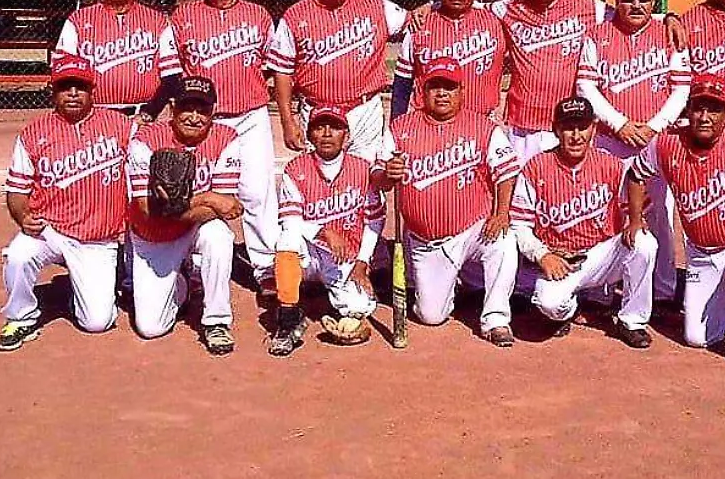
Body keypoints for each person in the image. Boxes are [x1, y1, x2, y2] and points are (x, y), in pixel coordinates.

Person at [627, 75, 725, 369]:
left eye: (714, 110)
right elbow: (635, 174)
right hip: (701, 252)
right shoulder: (667, 144)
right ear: (688, 110)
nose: (705, 117)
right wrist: (634, 219)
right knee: (697, 337)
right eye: (698, 109)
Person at [375, 57, 522, 347]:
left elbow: (506, 172)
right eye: (435, 87)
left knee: (504, 240)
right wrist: (387, 174)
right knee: (431, 316)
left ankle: (496, 319)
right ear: (422, 90)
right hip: (426, 240)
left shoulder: (483, 127)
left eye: (449, 87)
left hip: (473, 229)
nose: (442, 93)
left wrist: (501, 213)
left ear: (461, 91)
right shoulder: (401, 128)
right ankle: (455, 284)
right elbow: (378, 177)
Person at [0, 56, 133, 351]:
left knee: (97, 323)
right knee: (18, 255)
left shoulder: (121, 126)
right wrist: (23, 217)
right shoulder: (33, 133)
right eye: (65, 86)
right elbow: (17, 191)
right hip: (49, 229)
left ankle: (79, 290)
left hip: (97, 237)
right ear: (52, 90)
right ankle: (21, 317)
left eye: (80, 87)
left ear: (92, 90)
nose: (72, 93)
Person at [576, 0, 691, 304]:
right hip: (610, 140)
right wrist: (620, 124)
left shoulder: (669, 33)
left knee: (658, 214)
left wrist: (653, 126)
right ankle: (600, 289)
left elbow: (681, 89)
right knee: (606, 210)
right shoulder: (598, 35)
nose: (636, 4)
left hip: (655, 140)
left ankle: (664, 289)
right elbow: (587, 87)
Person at [171, 0, 279, 289]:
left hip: (250, 115)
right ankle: (199, 267)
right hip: (205, 120)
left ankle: (264, 266)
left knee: (258, 191)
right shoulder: (183, 17)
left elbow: (274, 68)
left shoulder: (259, 15)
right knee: (202, 189)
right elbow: (173, 72)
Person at [511, 97, 658, 348]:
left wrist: (634, 220)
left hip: (601, 256)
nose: (576, 135)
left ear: (593, 128)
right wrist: (542, 255)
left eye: (582, 126)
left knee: (644, 243)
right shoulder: (536, 167)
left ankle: (632, 321)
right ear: (556, 129)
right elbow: (519, 225)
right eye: (569, 127)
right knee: (549, 304)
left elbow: (638, 205)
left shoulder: (611, 164)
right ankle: (570, 309)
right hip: (561, 260)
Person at [126, 76, 244, 354]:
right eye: (186, 108)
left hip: (195, 226)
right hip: (152, 234)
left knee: (219, 236)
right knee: (151, 328)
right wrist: (206, 197)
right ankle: (183, 285)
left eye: (201, 110)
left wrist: (192, 205)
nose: (193, 117)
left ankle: (216, 321)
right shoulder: (145, 139)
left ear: (212, 111)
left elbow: (226, 207)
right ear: (172, 107)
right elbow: (147, 209)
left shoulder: (226, 138)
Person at [268, 0, 409, 160]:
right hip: (317, 114)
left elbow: (417, 21)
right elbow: (282, 72)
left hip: (364, 111)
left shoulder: (377, 7)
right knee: (320, 182)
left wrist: (431, 5)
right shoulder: (295, 15)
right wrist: (287, 121)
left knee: (366, 179)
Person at [269, 106, 384, 356]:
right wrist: (324, 232)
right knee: (286, 239)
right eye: (319, 127)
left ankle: (338, 309)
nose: (327, 133)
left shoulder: (363, 169)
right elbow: (290, 220)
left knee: (360, 306)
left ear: (347, 135)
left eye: (334, 127)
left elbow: (374, 220)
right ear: (310, 135)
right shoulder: (295, 169)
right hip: (308, 253)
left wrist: (362, 262)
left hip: (342, 256)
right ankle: (288, 319)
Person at [489, 0, 610, 158]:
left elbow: (630, 15)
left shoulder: (588, 7)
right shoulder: (508, 8)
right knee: (524, 191)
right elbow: (470, 10)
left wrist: (669, 18)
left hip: (569, 124)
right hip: (525, 126)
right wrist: (430, 6)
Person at [53, 0, 183, 122]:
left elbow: (172, 77)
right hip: (95, 116)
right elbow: (63, 75)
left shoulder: (157, 21)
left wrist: (148, 114)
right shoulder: (77, 20)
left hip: (146, 116)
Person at [392, 0, 506, 119]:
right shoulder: (419, 24)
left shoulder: (495, 18)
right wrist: (397, 123)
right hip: (431, 123)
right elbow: (403, 81)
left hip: (482, 121)